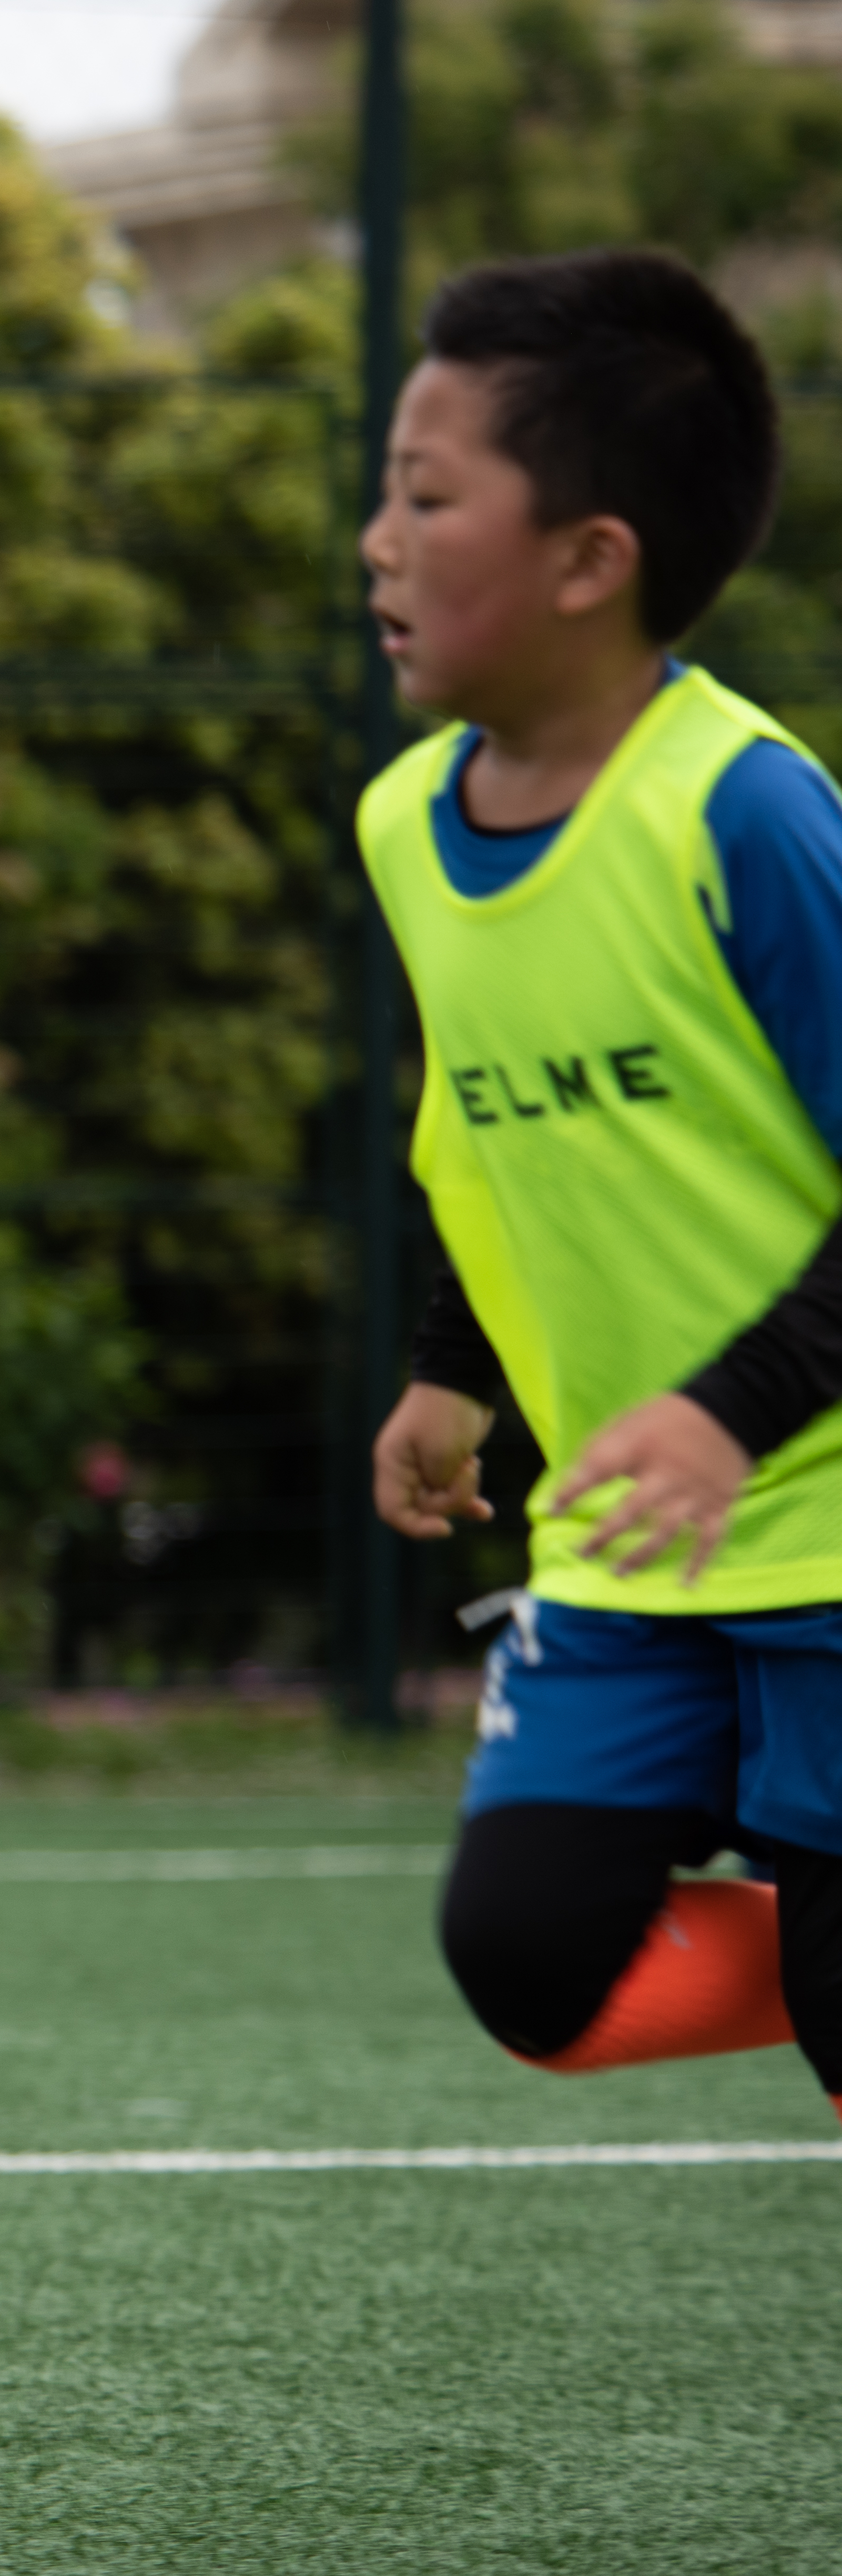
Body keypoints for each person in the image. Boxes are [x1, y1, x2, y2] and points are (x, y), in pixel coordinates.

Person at [358, 248, 842, 2114]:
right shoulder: (408, 822)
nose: (379, 544)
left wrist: (730, 1413)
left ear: (591, 557)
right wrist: (451, 1360)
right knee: (533, 1962)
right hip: (638, 1552)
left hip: (817, 1523)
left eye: (427, 494)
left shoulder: (746, 809)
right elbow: (500, 1122)